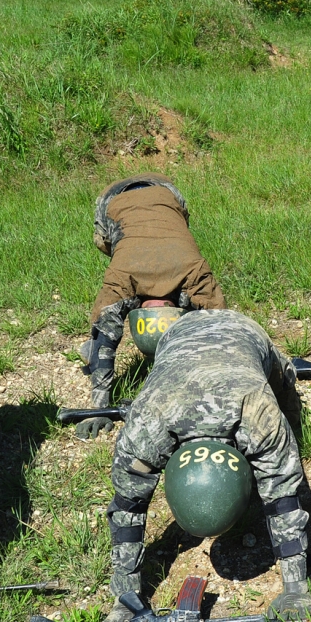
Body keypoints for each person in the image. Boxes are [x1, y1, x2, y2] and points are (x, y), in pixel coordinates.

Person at [102, 310, 311, 622]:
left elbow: (284, 499)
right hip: (176, 336)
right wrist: (125, 599)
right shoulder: (146, 425)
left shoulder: (260, 415)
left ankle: (295, 417)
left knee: (284, 381)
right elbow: (127, 506)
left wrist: (296, 590)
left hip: (246, 333)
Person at [77, 173, 226, 439]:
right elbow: (223, 331)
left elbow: (224, 331)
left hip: (168, 194)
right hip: (113, 199)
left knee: (174, 228)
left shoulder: (193, 272)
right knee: (106, 242)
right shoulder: (122, 276)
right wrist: (99, 407)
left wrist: (100, 407)